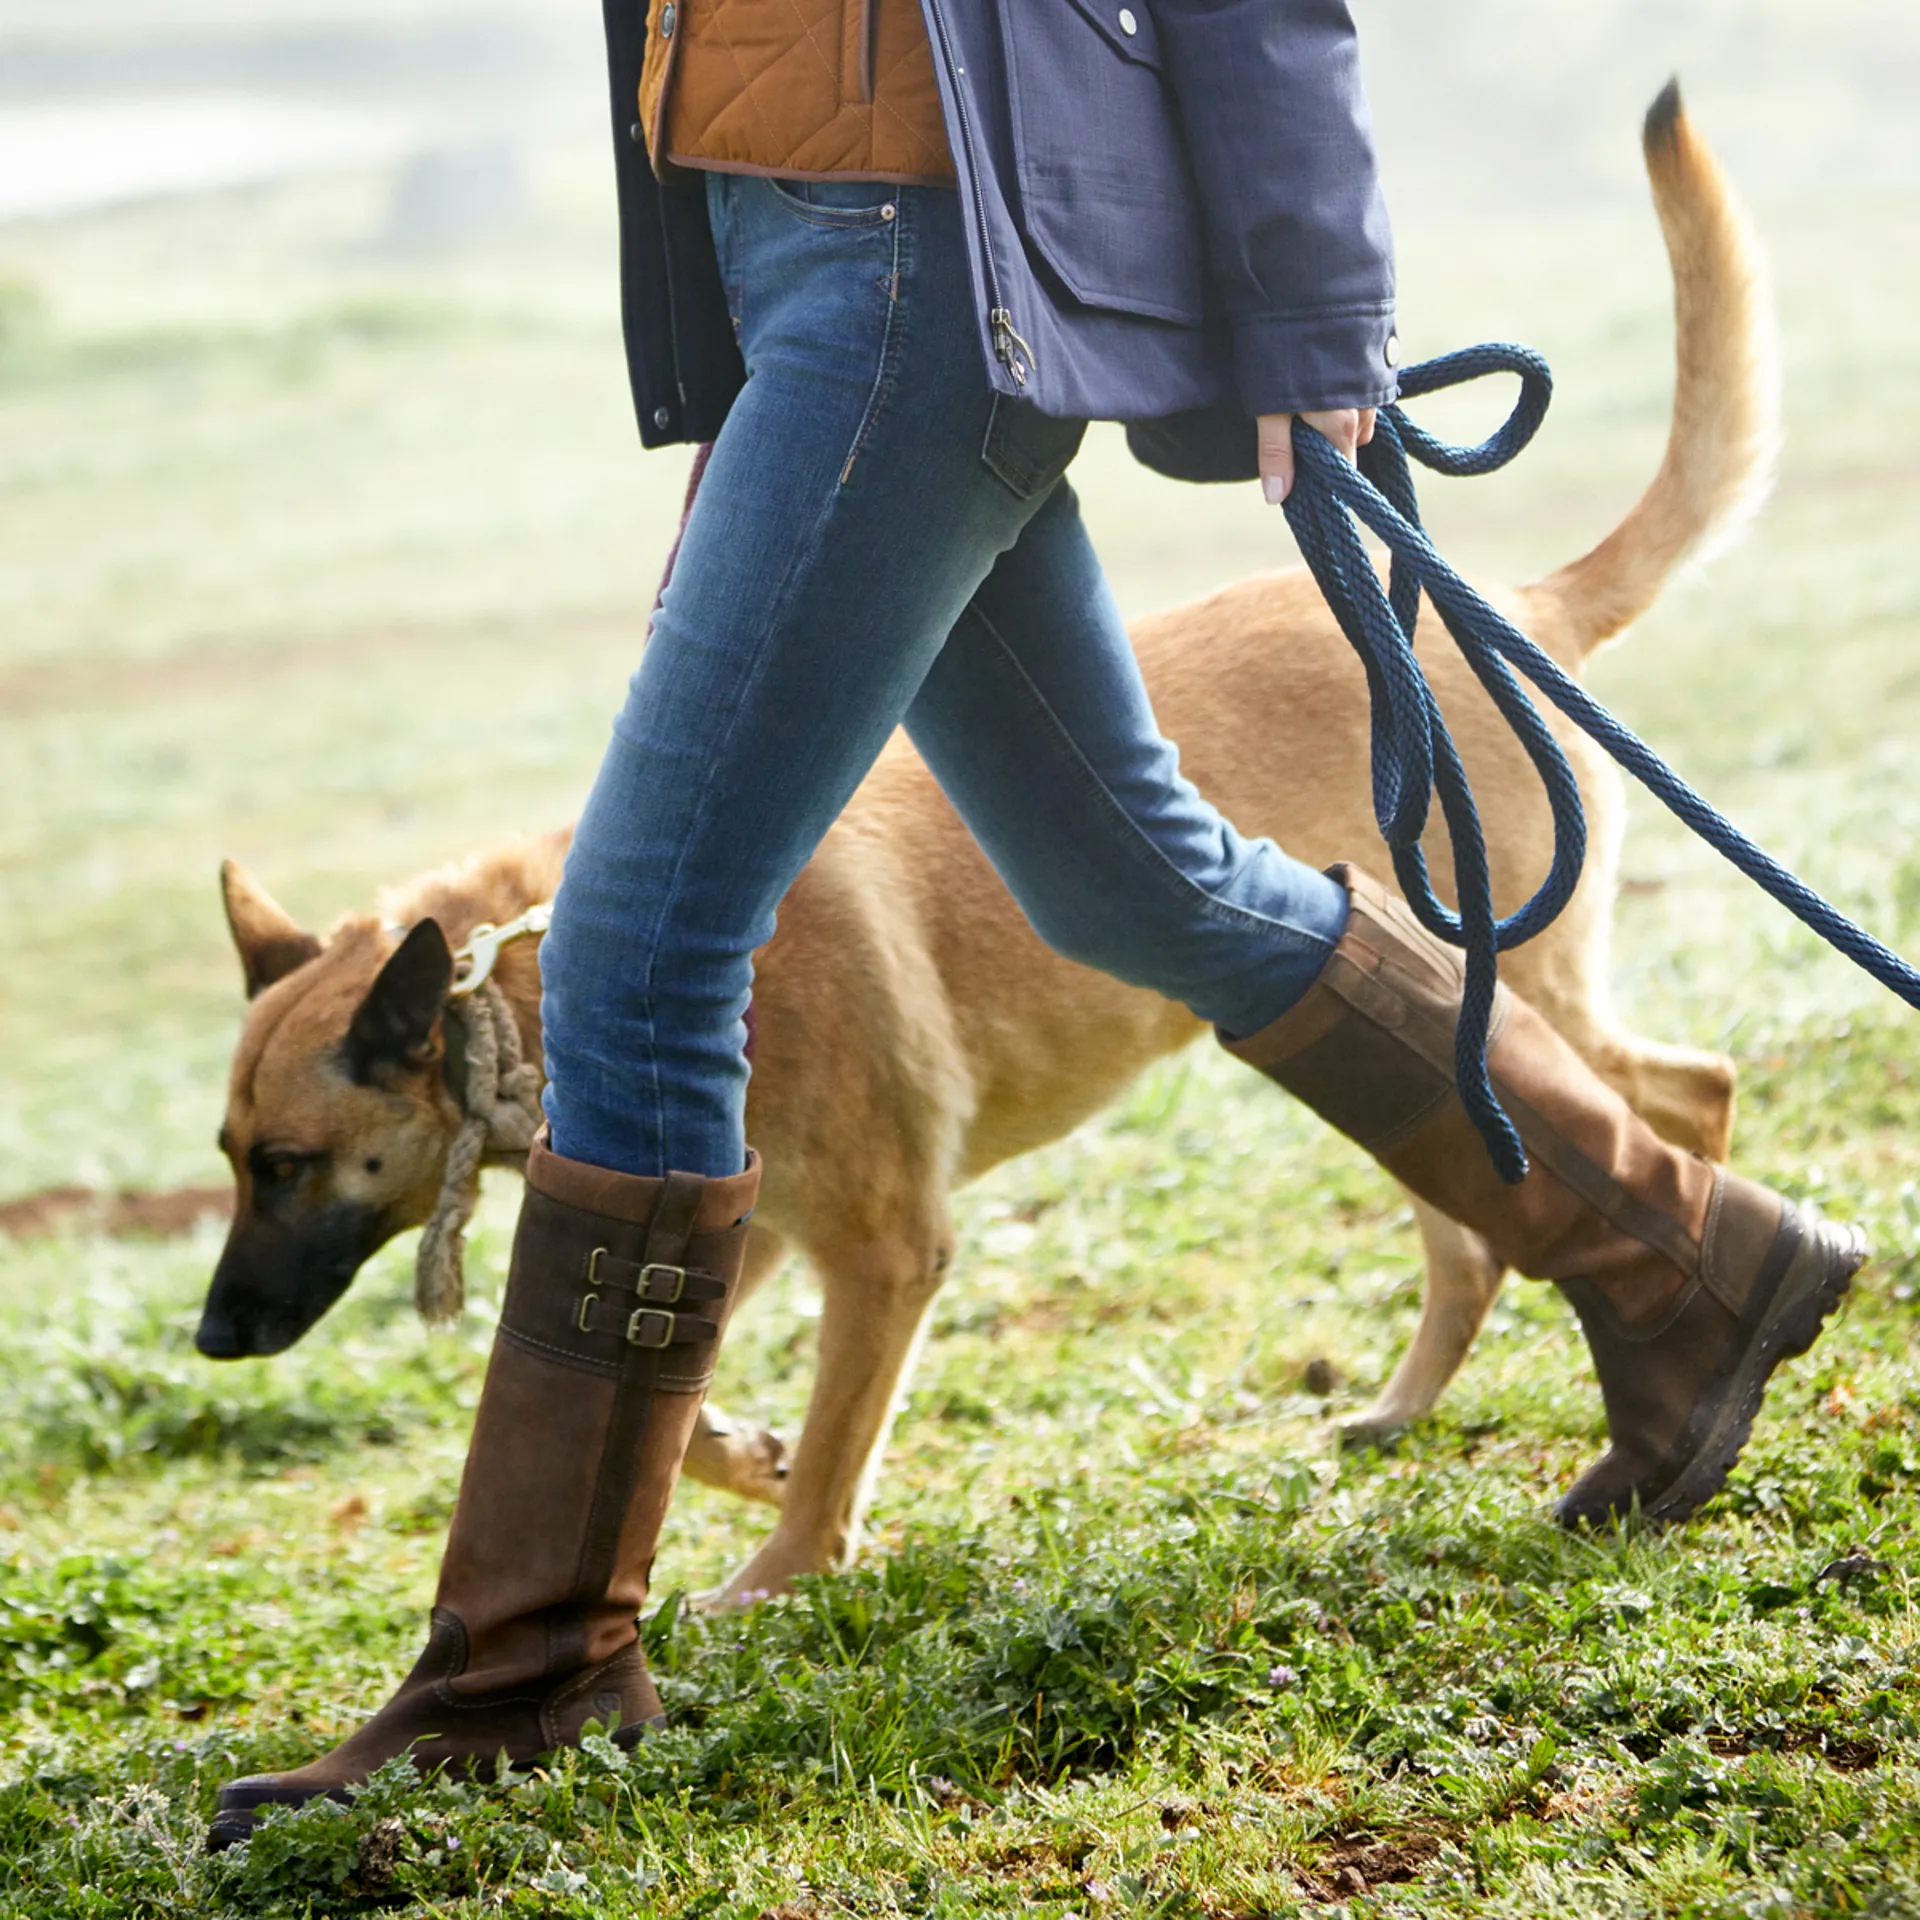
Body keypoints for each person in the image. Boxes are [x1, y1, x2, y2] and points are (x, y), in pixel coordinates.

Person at [208, 0, 1865, 1844]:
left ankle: (526, 1673)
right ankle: (1684, 1258)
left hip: (909, 259)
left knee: (638, 947)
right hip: (800, 242)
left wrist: (1316, 310)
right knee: (1126, 870)